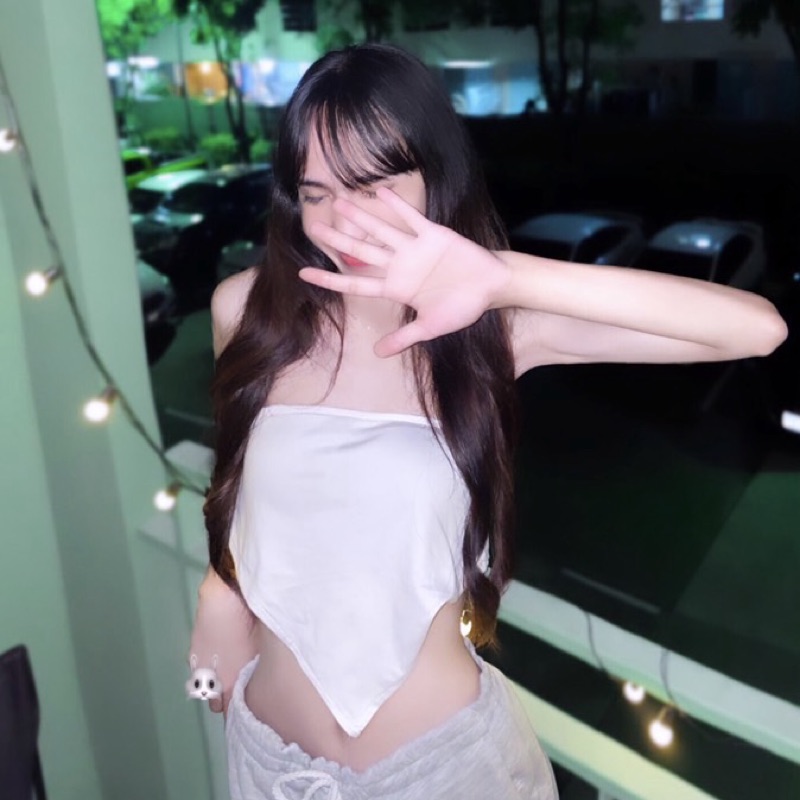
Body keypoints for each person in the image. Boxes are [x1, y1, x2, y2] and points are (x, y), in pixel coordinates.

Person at [189, 44, 787, 800]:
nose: (342, 222)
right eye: (316, 193)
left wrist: (504, 277)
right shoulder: (245, 311)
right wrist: (219, 596)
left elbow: (754, 329)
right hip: (269, 765)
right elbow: (244, 483)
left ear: (434, 177)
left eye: (374, 186)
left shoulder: (489, 331)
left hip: (447, 774)